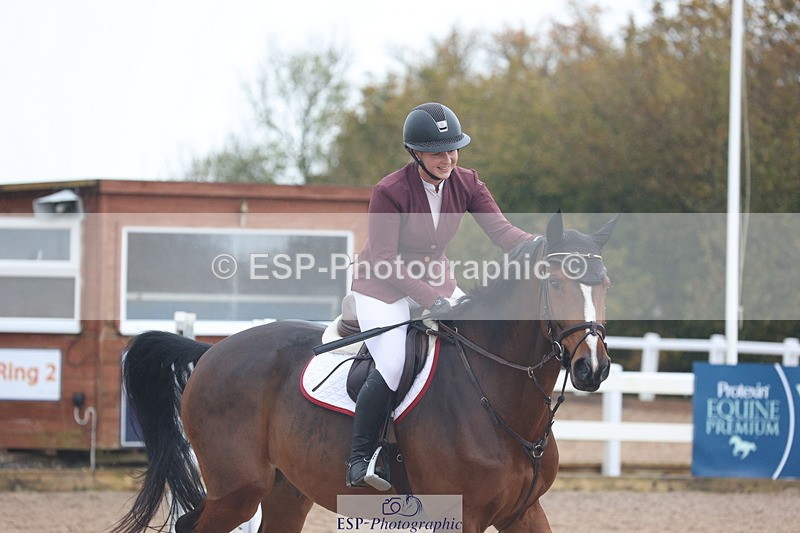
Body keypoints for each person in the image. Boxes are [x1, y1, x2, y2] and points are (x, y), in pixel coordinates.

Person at [346, 102, 538, 490]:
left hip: (438, 280)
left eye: (453, 149)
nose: (448, 159)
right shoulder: (390, 191)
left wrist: (542, 244)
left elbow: (503, 234)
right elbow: (383, 259)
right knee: (395, 362)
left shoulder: (468, 182)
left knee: (477, 337)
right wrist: (430, 298)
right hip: (381, 288)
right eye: (437, 152)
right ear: (416, 153)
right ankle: (361, 457)